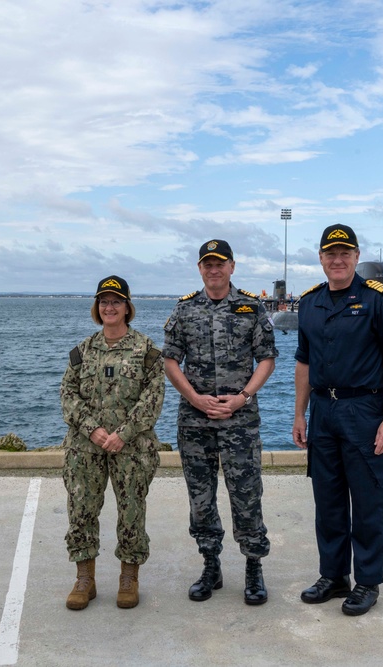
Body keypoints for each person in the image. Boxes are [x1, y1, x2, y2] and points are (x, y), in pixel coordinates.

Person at [292, 224, 383, 617]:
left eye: (345, 253)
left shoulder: (378, 299)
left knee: (369, 501)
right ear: (321, 258)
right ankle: (334, 575)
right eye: (330, 253)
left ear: (357, 257)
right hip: (323, 411)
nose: (338, 260)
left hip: (365, 411)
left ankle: (368, 582)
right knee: (327, 502)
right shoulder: (309, 302)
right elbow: (303, 362)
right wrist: (299, 413)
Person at [163, 240, 277, 605]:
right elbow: (169, 361)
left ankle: (253, 567)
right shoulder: (184, 311)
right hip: (195, 422)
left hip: (240, 421)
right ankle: (211, 565)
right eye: (207, 264)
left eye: (220, 263)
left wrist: (242, 397)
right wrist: (194, 398)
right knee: (201, 499)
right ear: (200, 269)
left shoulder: (251, 308)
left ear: (232, 266)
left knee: (246, 496)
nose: (213, 269)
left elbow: (267, 359)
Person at [60, 275, 165, 610]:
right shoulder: (82, 352)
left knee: (132, 511)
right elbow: (67, 395)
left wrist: (123, 433)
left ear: (127, 308)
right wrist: (92, 429)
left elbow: (153, 398)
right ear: (97, 308)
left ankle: (128, 577)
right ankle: (85, 579)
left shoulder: (146, 351)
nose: (109, 307)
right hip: (85, 448)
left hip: (131, 448)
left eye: (116, 302)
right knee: (81, 510)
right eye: (104, 302)